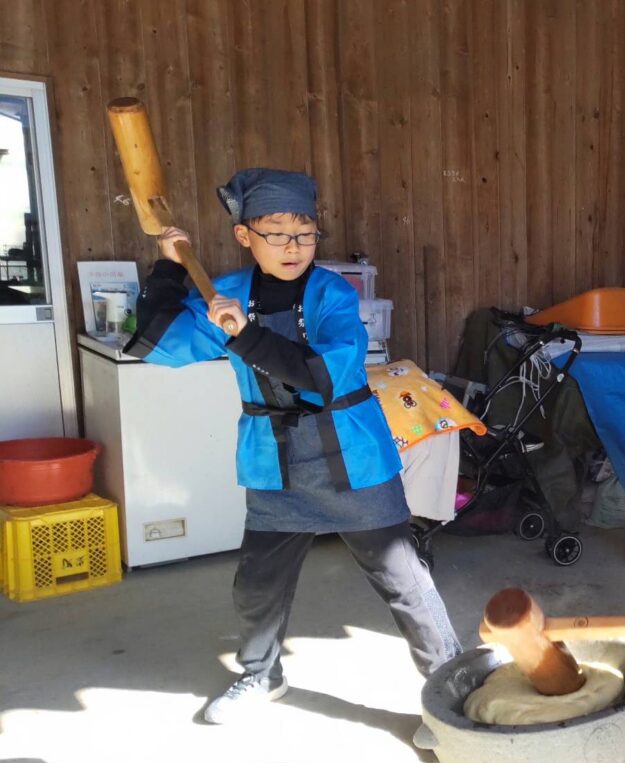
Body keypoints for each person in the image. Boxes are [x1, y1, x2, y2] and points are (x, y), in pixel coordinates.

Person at [125, 168, 462, 724]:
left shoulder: (333, 293)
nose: (293, 247)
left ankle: (452, 694)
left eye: (305, 234)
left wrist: (244, 334)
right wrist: (168, 267)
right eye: (277, 234)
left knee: (404, 580)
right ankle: (261, 675)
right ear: (244, 236)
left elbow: (322, 375)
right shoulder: (225, 294)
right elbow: (158, 344)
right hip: (273, 461)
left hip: (351, 457)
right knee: (257, 585)